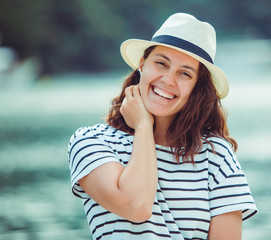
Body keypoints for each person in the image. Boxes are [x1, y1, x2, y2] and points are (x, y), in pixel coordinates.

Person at [68, 13, 257, 240]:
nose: (168, 80)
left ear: (197, 88)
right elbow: (136, 206)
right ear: (142, 65)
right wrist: (143, 126)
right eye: (161, 63)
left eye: (185, 73)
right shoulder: (92, 142)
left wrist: (143, 125)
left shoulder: (216, 155)